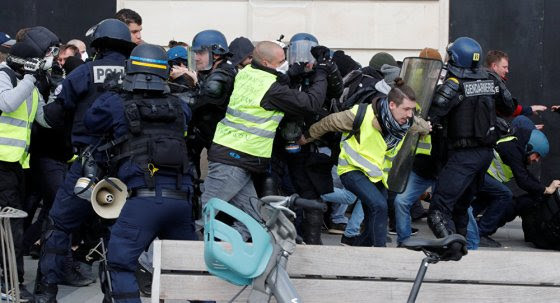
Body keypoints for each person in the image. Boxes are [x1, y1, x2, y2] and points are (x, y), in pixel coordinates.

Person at [84, 43, 196, 303]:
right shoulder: (181, 107)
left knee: (120, 265)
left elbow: (91, 122)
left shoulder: (116, 103)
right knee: (190, 272)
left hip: (141, 201)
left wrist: (111, 91)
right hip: (181, 201)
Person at [34, 18, 136, 302]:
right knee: (115, 232)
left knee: (59, 225)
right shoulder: (136, 73)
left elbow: (53, 116)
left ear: (98, 45)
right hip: (122, 168)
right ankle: (114, 295)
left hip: (86, 165)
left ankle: (46, 293)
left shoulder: (84, 73)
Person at [200, 41, 329, 241]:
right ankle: (157, 260)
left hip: (239, 159)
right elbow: (310, 103)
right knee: (206, 215)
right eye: (281, 61)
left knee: (252, 223)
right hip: (233, 160)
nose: (285, 64)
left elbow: (273, 80)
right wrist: (321, 73)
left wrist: (292, 75)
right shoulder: (272, 90)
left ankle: (227, 254)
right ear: (268, 63)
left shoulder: (247, 72)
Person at [300, 78, 429, 247]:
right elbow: (328, 122)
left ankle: (356, 246)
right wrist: (306, 137)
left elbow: (421, 125)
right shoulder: (359, 115)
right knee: (380, 206)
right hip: (352, 171)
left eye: (412, 110)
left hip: (377, 176)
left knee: (372, 218)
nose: (410, 114)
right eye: (406, 109)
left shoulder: (407, 122)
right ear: (391, 105)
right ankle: (379, 255)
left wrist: (427, 127)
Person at [426, 37, 516, 260]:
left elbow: (431, 115)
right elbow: (508, 106)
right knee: (460, 207)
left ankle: (451, 251)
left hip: (462, 156)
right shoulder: (490, 79)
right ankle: (462, 254)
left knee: (438, 209)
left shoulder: (454, 83)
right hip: (484, 155)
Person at [0, 25, 60, 302]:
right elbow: (8, 103)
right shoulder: (4, 76)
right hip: (1, 164)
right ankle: (11, 284)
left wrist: (61, 96)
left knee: (13, 226)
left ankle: (9, 280)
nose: (50, 59)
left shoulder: (31, 85)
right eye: (46, 54)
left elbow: (43, 119)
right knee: (9, 227)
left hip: (16, 167)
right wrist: (31, 79)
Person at [279, 33, 343, 245]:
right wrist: (292, 74)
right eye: (298, 51)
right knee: (289, 191)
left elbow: (333, 90)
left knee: (312, 193)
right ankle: (292, 237)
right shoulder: (292, 76)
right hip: (288, 144)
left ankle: (313, 240)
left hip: (314, 146)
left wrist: (325, 67)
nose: (304, 59)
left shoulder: (324, 75)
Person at [472, 117, 560, 247]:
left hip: (480, 173)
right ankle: (480, 232)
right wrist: (546, 190)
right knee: (504, 195)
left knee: (484, 199)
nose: (537, 160)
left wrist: (543, 188)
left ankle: (462, 226)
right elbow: (523, 180)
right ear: (530, 147)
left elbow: (526, 174)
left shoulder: (516, 147)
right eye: (537, 155)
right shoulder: (513, 149)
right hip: (478, 173)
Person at [187, 29, 236, 178]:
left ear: (216, 54)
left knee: (220, 178)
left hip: (221, 138)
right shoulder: (207, 72)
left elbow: (203, 100)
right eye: (194, 53)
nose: (195, 58)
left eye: (200, 53)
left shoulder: (223, 74)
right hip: (205, 132)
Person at [484, 50, 547, 121]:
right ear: (494, 66)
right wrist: (529, 109)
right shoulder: (494, 82)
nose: (507, 71)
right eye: (504, 67)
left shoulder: (480, 79)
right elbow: (508, 108)